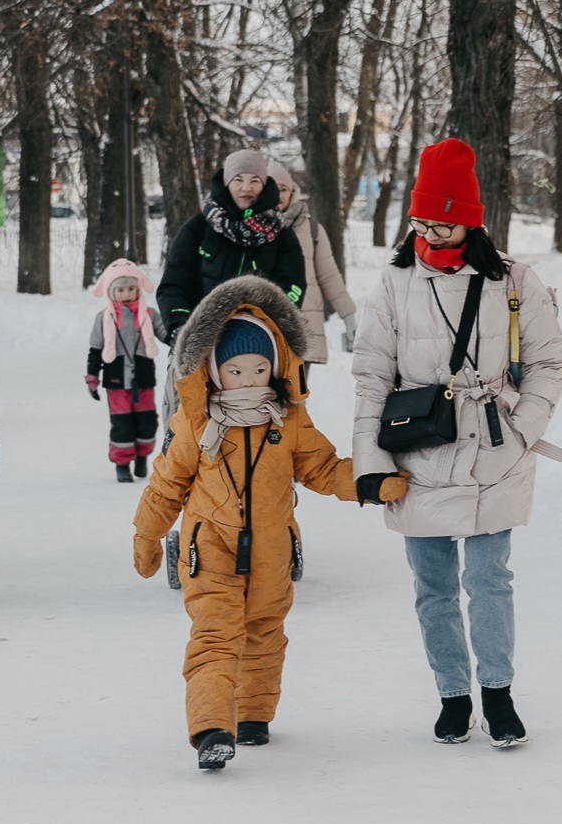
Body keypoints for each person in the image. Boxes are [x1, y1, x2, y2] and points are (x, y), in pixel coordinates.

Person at [132, 278, 402, 771]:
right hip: (208, 550)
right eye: (236, 370)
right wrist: (147, 534)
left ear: (277, 368)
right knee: (215, 636)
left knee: (264, 635)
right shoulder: (196, 426)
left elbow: (321, 468)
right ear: (215, 372)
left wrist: (367, 484)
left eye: (260, 368)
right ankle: (212, 727)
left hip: (272, 553)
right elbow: (166, 485)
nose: (250, 378)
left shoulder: (288, 420)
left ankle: (253, 716)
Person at [350, 138, 562, 750]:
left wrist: (525, 427)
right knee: (433, 585)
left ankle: (498, 694)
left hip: (498, 447)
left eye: (442, 222)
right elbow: (371, 375)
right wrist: (370, 460)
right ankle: (452, 694)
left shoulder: (516, 281)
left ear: (469, 220)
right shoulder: (391, 284)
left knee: (491, 578)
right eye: (420, 221)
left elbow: (548, 360)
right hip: (418, 445)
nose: (430, 233)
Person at [154, 148, 306, 343]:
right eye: (238, 180)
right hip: (200, 341)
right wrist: (180, 325)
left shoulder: (282, 236)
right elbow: (173, 284)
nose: (246, 187)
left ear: (264, 184)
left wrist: (272, 327)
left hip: (258, 342)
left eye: (254, 180)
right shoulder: (198, 228)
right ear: (227, 184)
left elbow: (293, 285)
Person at [270, 162, 358, 365]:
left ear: (293, 191)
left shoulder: (311, 229)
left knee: (297, 394)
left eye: (283, 189)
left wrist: (348, 314)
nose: (279, 195)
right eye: (273, 189)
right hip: (267, 321)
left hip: (304, 322)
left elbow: (329, 275)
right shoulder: (255, 229)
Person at [88, 259, 165, 481]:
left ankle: (142, 457)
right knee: (122, 425)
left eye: (131, 288)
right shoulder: (104, 318)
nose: (126, 293)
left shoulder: (149, 314)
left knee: (147, 422)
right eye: (120, 289)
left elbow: (164, 333)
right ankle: (122, 464)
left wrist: (180, 337)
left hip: (143, 377)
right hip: (116, 379)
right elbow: (95, 349)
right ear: (111, 292)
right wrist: (92, 377)